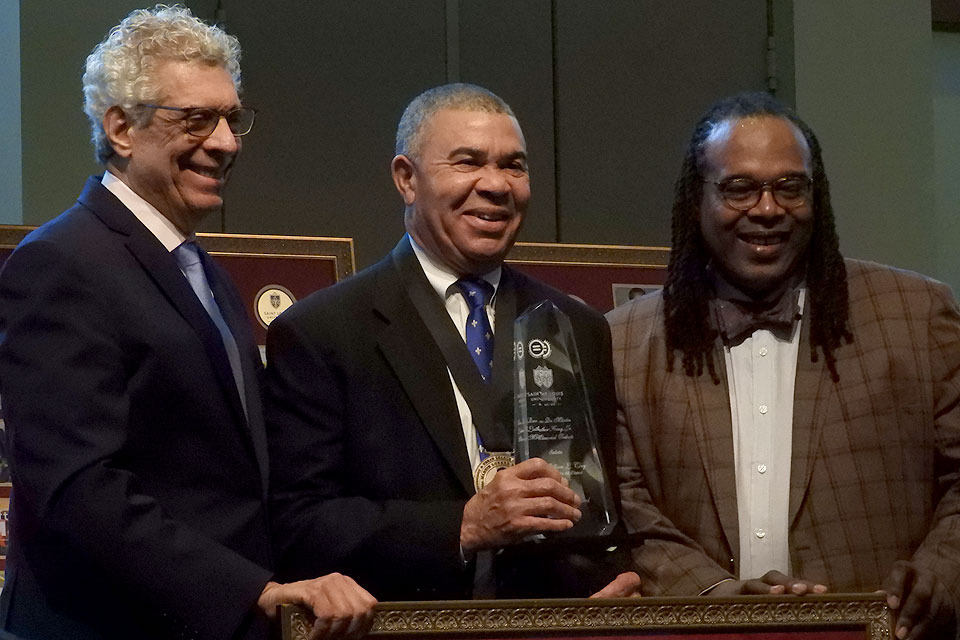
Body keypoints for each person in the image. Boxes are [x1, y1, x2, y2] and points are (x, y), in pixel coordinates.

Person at [0, 6, 374, 639]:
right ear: (121, 127)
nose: (226, 142)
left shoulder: (201, 271)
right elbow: (78, 488)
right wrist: (252, 591)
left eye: (232, 118)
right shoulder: (61, 263)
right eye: (197, 119)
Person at [265, 83, 640, 600]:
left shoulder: (574, 326)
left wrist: (602, 584)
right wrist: (462, 525)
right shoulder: (323, 332)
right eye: (467, 162)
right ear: (406, 179)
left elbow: (593, 506)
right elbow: (299, 523)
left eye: (514, 165)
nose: (496, 184)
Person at [608, 91, 960, 639]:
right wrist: (714, 597)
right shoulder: (624, 341)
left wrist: (942, 573)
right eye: (739, 188)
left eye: (789, 187)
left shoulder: (917, 315)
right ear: (695, 200)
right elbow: (624, 503)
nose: (768, 209)